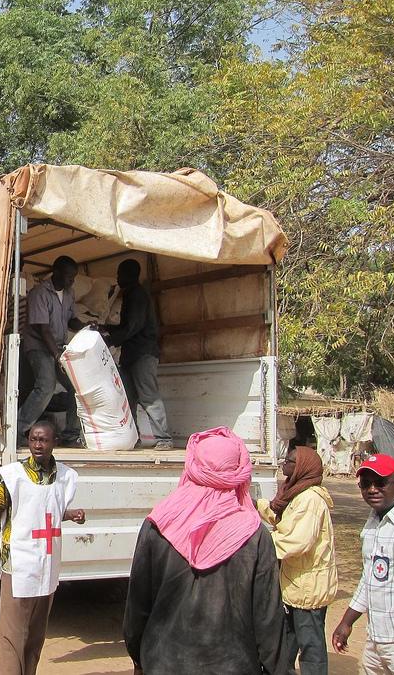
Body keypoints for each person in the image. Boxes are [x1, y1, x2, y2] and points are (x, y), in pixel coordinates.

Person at [123, 426, 289, 675]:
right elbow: (268, 617)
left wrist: (138, 657)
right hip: (234, 666)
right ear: (239, 472)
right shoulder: (255, 535)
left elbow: (138, 604)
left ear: (192, 466)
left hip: (163, 663)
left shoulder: (158, 525)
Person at [0, 419, 85, 675]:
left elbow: (47, 512)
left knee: (36, 635)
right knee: (12, 636)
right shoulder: (13, 477)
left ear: (55, 443)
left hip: (47, 567)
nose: (37, 445)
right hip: (18, 564)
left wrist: (69, 514)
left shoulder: (64, 477)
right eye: (33, 439)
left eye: (43, 440)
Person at [257, 442, 338, 675]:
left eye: (289, 461)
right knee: (287, 640)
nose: (284, 463)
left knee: (310, 646)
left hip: (308, 590)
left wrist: (260, 544)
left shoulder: (310, 500)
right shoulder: (297, 494)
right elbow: (284, 520)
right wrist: (256, 506)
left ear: (301, 467)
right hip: (295, 586)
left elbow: (296, 541)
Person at [331, 454, 394, 674]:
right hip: (376, 639)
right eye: (365, 484)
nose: (372, 489)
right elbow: (370, 578)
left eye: (380, 482)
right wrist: (347, 621)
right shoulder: (372, 522)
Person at [103, 259, 172, 450]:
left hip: (142, 353)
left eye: (120, 274)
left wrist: (110, 339)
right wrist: (106, 329)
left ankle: (163, 438)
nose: (118, 278)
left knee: (148, 396)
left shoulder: (137, 294)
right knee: (129, 398)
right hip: (133, 354)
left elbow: (133, 327)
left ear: (129, 275)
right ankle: (133, 437)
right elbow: (129, 326)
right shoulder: (132, 294)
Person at [18, 256, 84, 445]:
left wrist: (86, 326)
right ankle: (19, 430)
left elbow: (71, 319)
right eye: (68, 276)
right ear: (56, 272)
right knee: (46, 386)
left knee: (75, 387)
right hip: (38, 346)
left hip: (58, 348)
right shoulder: (39, 293)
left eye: (74, 277)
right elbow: (42, 328)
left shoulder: (69, 294)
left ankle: (71, 434)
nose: (71, 281)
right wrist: (57, 356)